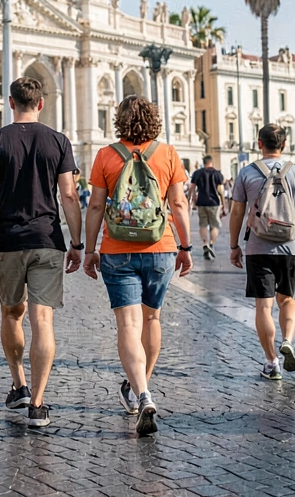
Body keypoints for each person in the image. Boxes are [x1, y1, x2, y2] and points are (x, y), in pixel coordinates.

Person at [0, 77, 83, 429]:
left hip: (8, 239)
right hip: (47, 239)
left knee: (11, 313)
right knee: (43, 320)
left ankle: (19, 383)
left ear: (11, 102)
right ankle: (38, 403)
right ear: (41, 103)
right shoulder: (59, 141)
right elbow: (69, 195)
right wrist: (77, 243)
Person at [82, 95, 193, 437]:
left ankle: (141, 392)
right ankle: (139, 387)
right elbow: (178, 203)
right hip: (160, 245)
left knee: (128, 323)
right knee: (152, 318)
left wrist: (89, 250)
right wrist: (186, 246)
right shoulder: (168, 153)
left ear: (119, 120)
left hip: (117, 248)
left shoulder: (106, 155)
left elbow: (95, 206)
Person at [229, 124, 295, 381]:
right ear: (284, 145)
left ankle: (272, 362)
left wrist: (234, 245)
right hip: (290, 246)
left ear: (259, 144)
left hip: (258, 247)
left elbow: (237, 211)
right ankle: (288, 340)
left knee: (264, 305)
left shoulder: (246, 172)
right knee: (287, 299)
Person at [188, 155, 225, 260]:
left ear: (203, 162)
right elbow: (220, 190)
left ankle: (205, 243)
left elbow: (192, 188)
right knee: (214, 225)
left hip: (201, 202)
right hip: (214, 203)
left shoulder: (197, 173)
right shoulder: (217, 173)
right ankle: (211, 244)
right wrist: (224, 204)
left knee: (203, 225)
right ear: (211, 162)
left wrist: (189, 199)